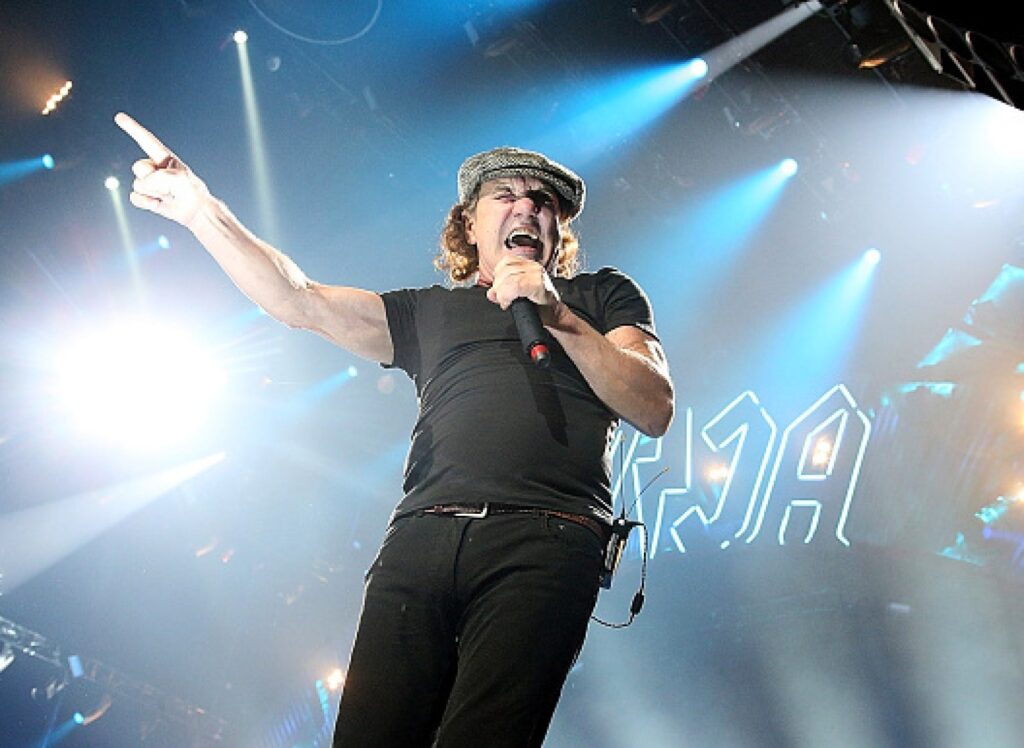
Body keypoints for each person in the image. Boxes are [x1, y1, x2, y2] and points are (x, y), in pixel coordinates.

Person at [115, 112, 675, 747]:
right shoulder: (427, 312)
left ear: (557, 229)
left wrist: (559, 317)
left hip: (546, 541)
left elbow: (652, 404)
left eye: (543, 202)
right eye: (507, 195)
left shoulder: (602, 295)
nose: (528, 208)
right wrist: (201, 212)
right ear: (469, 221)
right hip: (421, 539)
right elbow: (299, 300)